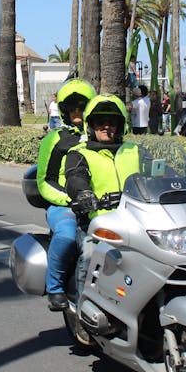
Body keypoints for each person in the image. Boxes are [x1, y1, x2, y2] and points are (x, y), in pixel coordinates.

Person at [65, 94, 142, 285]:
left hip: (135, 221)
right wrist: (83, 192)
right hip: (97, 223)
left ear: (121, 125)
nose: (107, 126)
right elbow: (75, 177)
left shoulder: (135, 150)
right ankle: (80, 306)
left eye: (112, 122)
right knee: (90, 258)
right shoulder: (80, 153)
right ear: (91, 125)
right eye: (100, 122)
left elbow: (158, 172)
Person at [36, 79, 95, 310]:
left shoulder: (99, 136)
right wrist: (70, 200)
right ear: (64, 110)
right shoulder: (55, 140)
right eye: (73, 107)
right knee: (67, 235)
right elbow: (44, 181)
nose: (78, 112)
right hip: (65, 206)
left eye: (83, 106)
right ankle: (55, 288)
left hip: (97, 204)